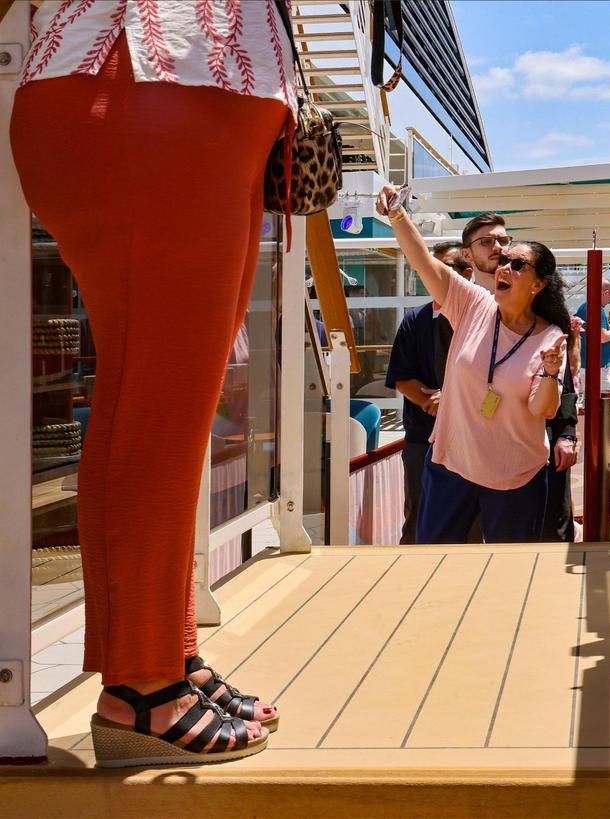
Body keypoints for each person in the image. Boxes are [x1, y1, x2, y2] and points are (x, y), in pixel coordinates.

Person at [10, 1, 290, 765]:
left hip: (187, 96)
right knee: (155, 410)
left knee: (174, 412)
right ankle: (140, 687)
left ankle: (170, 654)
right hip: (147, 84)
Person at [377, 187, 571, 543]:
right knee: (434, 565)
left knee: (507, 577)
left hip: (516, 478)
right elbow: (423, 260)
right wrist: (397, 215)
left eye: (518, 264)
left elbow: (541, 409)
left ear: (538, 284)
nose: (504, 266)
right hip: (451, 466)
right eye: (503, 260)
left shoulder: (551, 336)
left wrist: (550, 372)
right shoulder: (473, 303)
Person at [461, 213, 580, 543]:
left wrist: (566, 433)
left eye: (503, 240)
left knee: (535, 536)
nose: (498, 249)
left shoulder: (545, 322)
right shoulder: (459, 306)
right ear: (466, 254)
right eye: (487, 242)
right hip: (465, 456)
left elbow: (561, 382)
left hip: (526, 453)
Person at [385, 241, 479, 544]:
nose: (431, 275)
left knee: (474, 523)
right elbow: (401, 377)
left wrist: (451, 401)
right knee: (418, 520)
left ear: (466, 273)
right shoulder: (415, 319)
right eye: (426, 268)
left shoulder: (485, 319)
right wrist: (432, 402)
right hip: (423, 439)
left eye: (441, 269)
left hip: (476, 441)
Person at [575, 278, 610, 393]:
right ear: (606, 293)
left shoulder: (583, 306)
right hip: (598, 366)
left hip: (586, 364)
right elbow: (602, 337)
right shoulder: (597, 308)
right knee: (603, 399)